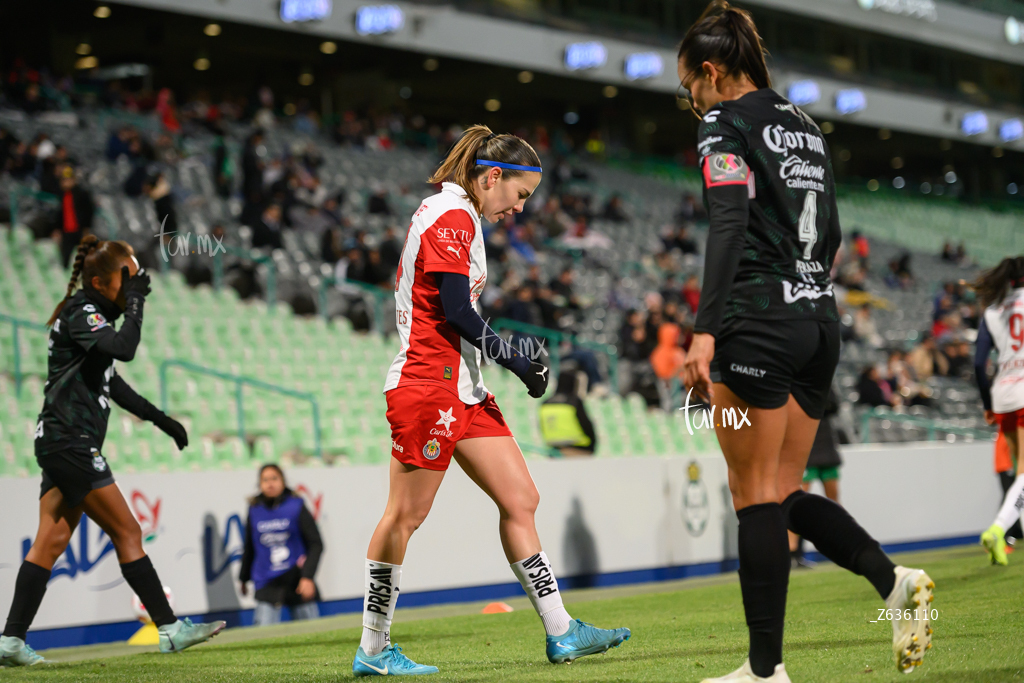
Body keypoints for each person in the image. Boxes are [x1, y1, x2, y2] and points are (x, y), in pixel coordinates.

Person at [677, 5, 933, 680]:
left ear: (710, 72)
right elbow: (837, 232)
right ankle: (894, 582)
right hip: (818, 324)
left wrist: (705, 330)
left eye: (689, 86)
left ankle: (765, 672)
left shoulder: (722, 122)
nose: (690, 101)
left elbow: (727, 221)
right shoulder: (805, 126)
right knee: (784, 487)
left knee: (754, 492)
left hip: (755, 326)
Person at [354, 125, 629, 677]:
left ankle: (561, 631)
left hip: (464, 389)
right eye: (519, 196)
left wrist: (498, 363)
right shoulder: (451, 216)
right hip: (429, 385)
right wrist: (515, 358)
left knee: (521, 498)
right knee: (405, 515)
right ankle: (374, 648)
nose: (519, 210)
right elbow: (456, 308)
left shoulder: (460, 217)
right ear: (492, 177)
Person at [0, 236, 224, 667]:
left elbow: (115, 385)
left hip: (59, 442)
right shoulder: (83, 312)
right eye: (128, 279)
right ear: (101, 282)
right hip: (71, 442)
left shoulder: (93, 318)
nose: (134, 287)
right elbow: (126, 349)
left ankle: (10, 640)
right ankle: (170, 628)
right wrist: (137, 304)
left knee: (51, 540)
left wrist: (163, 421)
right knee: (128, 532)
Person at [973, 256, 1024, 566]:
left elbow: (979, 364)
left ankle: (1001, 531)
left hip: (1002, 395)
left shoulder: (992, 311)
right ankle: (998, 529)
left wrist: (988, 405)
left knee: (1022, 472)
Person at [239, 464, 323, 625]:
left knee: (312, 633)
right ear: (260, 484)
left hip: (296, 579)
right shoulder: (254, 509)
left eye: (274, 479)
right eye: (265, 480)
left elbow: (316, 544)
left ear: (283, 481)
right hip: (266, 580)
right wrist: (243, 578)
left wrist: (307, 577)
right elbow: (249, 546)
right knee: (263, 637)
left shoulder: (296, 505)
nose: (270, 483)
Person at [789, 388, 842, 569]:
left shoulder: (825, 381)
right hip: (804, 448)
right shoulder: (794, 382)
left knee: (834, 501)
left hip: (825, 445)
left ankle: (842, 547)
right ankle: (792, 553)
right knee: (796, 501)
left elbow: (835, 406)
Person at [539, 367, 597, 456]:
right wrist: (593, 446)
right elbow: (586, 424)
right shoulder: (574, 401)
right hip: (578, 450)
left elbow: (542, 426)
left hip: (555, 451)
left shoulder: (545, 402)